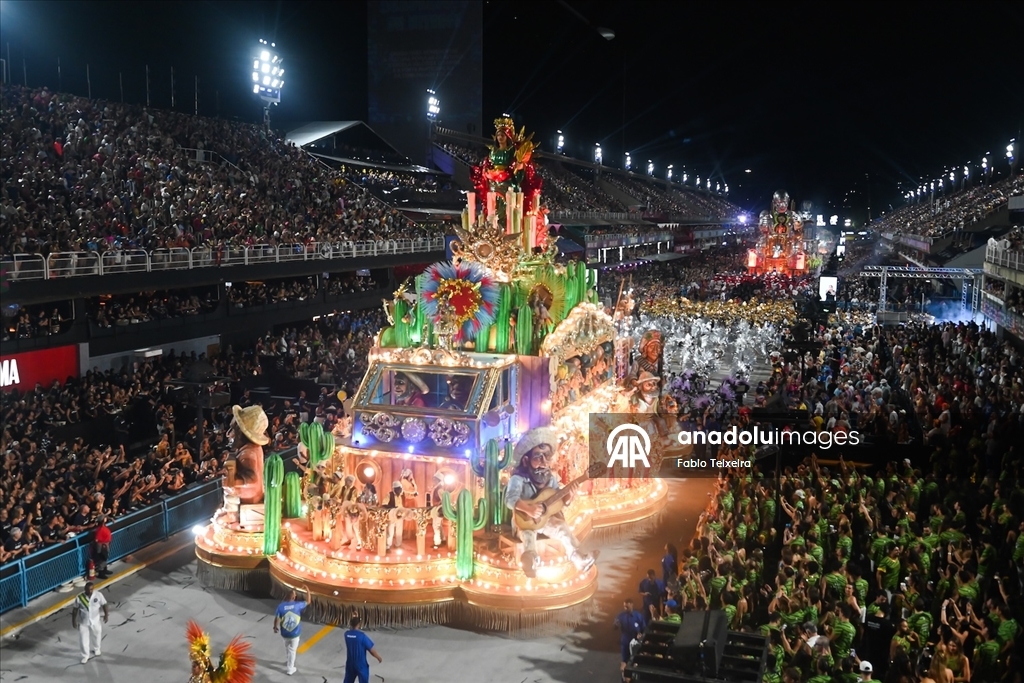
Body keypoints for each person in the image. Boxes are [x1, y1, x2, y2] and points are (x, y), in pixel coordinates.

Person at [505, 427, 595, 577]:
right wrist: (528, 509)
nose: (544, 462)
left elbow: (557, 499)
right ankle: (531, 561)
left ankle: (579, 559)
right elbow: (510, 499)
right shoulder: (518, 479)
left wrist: (568, 498)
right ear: (526, 460)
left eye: (546, 457)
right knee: (528, 536)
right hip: (524, 521)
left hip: (545, 521)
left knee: (562, 529)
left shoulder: (550, 479)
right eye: (538, 457)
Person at [223, 404, 270, 505]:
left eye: (232, 429)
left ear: (240, 432)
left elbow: (252, 479)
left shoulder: (247, 453)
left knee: (229, 496)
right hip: (252, 497)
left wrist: (231, 482)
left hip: (248, 500)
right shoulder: (252, 448)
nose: (228, 434)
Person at [273, 585, 310, 676]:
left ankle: (288, 661)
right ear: (293, 597)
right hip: (295, 633)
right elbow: (308, 601)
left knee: (287, 648)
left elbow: (277, 618)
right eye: (295, 595)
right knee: (292, 650)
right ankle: (290, 669)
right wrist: (307, 590)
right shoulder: (297, 605)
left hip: (284, 633)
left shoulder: (281, 606)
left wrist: (275, 627)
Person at [72, 581, 108, 664]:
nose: (90, 591)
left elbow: (104, 604)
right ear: (85, 589)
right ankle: (85, 655)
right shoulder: (80, 597)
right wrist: (73, 620)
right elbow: (75, 609)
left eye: (91, 589)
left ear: (93, 588)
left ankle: (97, 648)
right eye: (88, 589)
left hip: (95, 620)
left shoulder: (98, 595)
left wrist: (106, 615)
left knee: (97, 635)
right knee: (83, 639)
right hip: (83, 622)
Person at [343, 614, 382, 683]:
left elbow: (352, 629)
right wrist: (378, 657)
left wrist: (355, 618)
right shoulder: (362, 637)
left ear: (351, 624)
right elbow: (371, 650)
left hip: (350, 663)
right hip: (361, 664)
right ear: (359, 625)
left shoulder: (346, 635)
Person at [614, 598, 646, 678]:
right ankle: (624, 679)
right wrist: (616, 625)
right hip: (625, 641)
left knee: (635, 661)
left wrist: (641, 635)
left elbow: (644, 629)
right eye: (624, 606)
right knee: (624, 661)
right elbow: (615, 626)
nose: (625, 608)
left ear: (632, 605)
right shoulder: (621, 616)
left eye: (627, 607)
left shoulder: (638, 616)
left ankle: (634, 678)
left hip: (635, 643)